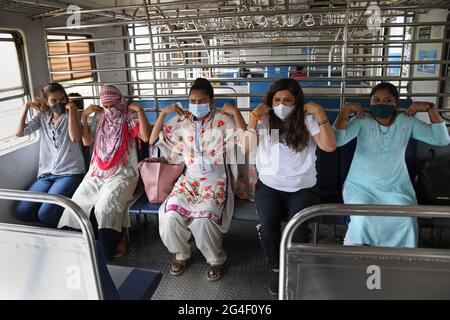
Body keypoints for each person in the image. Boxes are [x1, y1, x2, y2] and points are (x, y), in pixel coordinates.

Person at [244, 78, 336, 295]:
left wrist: (321, 113)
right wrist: (253, 119)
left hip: (303, 186)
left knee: (298, 227)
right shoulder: (264, 121)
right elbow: (247, 150)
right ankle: (277, 268)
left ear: (297, 102)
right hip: (269, 185)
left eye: (287, 100)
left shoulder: (308, 120)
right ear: (269, 101)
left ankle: (296, 268)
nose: (281, 105)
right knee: (268, 226)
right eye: (276, 100)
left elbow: (329, 146)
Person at [149, 78, 246, 281]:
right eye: (192, 100)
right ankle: (182, 253)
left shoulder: (223, 120)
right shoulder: (181, 121)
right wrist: (164, 114)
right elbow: (152, 140)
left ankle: (216, 259)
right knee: (169, 216)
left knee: (204, 218)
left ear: (211, 101)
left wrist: (236, 113)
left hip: (216, 178)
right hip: (189, 178)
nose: (196, 105)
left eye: (201, 101)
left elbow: (246, 143)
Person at [333, 82, 450, 248]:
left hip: (396, 187)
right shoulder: (361, 121)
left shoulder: (407, 122)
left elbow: (442, 139)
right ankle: (355, 251)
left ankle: (401, 259)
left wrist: (431, 109)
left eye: (388, 100)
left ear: (396, 103)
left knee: (406, 218)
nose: (381, 103)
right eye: (376, 99)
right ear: (370, 102)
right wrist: (345, 112)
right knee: (362, 218)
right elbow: (336, 141)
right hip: (360, 186)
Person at [57, 84, 152, 260]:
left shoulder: (128, 117)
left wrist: (139, 111)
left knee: (105, 206)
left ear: (120, 101)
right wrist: (84, 117)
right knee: (76, 204)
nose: (110, 110)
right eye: (106, 106)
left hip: (123, 171)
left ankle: (108, 247)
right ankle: (81, 247)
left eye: (113, 105)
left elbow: (146, 137)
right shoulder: (100, 117)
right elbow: (86, 141)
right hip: (97, 171)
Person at [15, 83, 85, 227]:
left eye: (62, 99)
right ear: (47, 102)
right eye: (54, 101)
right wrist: (26, 108)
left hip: (70, 173)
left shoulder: (71, 114)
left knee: (46, 213)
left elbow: (76, 138)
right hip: (47, 174)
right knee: (22, 212)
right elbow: (20, 133)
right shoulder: (42, 116)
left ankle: (69, 230)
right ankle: (58, 223)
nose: (59, 103)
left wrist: (72, 110)